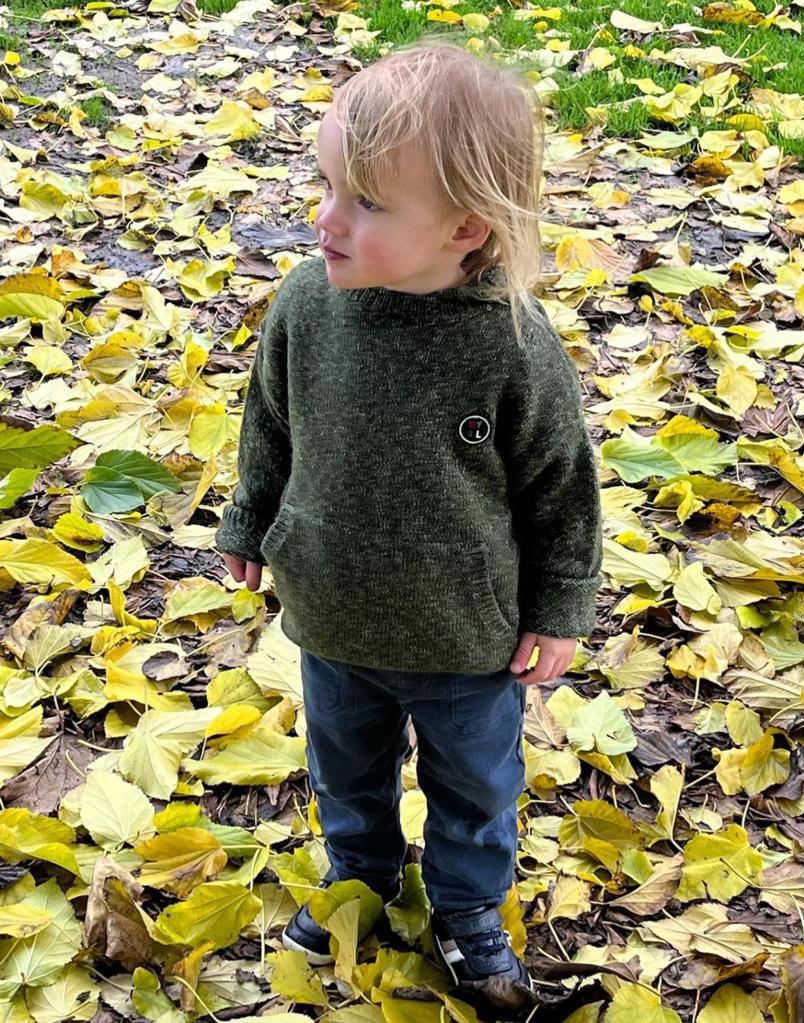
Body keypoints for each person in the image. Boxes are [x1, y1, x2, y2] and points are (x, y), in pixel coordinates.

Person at [215, 37, 603, 1012]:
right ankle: (363, 878)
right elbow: (269, 422)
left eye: (366, 204)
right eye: (325, 186)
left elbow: (559, 486)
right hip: (333, 616)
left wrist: (558, 607)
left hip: (465, 638)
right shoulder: (307, 305)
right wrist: (248, 522)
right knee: (344, 768)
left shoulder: (510, 347)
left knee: (473, 787)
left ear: (464, 230)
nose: (324, 220)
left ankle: (469, 911)